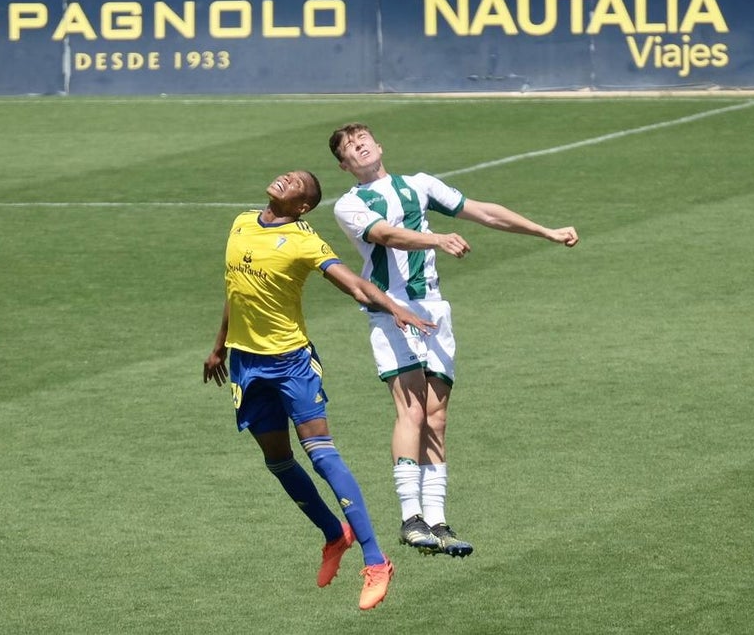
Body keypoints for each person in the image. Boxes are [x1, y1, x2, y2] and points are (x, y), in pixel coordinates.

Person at [328, 123, 579, 558]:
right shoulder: (350, 204)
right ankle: (411, 519)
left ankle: (438, 521)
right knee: (410, 410)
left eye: (362, 137)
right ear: (344, 164)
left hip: (435, 310)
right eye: (349, 146)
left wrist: (546, 231)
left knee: (437, 418)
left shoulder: (420, 184)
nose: (359, 145)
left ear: (379, 144)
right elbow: (385, 235)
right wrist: (436, 237)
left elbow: (483, 211)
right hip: (391, 312)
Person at [203, 169, 435, 611]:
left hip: (291, 363)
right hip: (245, 364)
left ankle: (376, 560)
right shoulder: (240, 222)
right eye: (286, 175)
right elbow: (235, 291)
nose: (284, 179)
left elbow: (353, 284)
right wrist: (218, 347)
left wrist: (393, 307)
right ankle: (334, 535)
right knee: (277, 460)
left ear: (303, 207)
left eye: (296, 184)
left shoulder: (305, 240)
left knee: (322, 454)